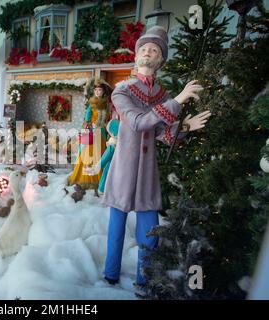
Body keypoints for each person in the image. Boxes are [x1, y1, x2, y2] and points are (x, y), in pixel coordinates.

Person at [102, 26, 212, 291]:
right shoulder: (122, 90)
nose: (148, 52)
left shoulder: (162, 95)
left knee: (149, 233)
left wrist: (184, 127)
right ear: (136, 55)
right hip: (124, 171)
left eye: (154, 50)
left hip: (148, 175)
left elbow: (164, 135)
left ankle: (144, 279)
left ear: (160, 60)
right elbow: (139, 122)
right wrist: (179, 100)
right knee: (116, 229)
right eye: (144, 48)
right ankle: (110, 274)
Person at [67, 77, 112, 190]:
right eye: (96, 90)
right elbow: (87, 118)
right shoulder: (92, 104)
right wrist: (89, 125)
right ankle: (85, 178)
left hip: (102, 132)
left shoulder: (107, 104)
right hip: (92, 131)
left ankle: (100, 179)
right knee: (89, 155)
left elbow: (109, 118)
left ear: (103, 92)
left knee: (100, 155)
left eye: (100, 90)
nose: (98, 92)